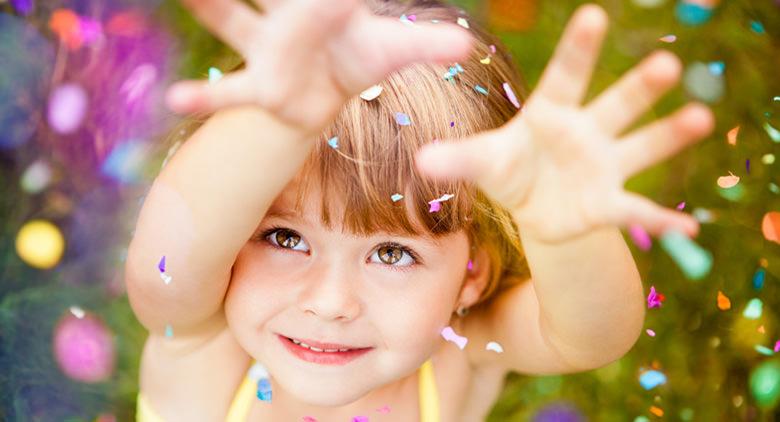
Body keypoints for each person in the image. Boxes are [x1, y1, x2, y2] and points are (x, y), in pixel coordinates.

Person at [124, 0, 715, 420]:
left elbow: (590, 337)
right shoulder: (202, 346)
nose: (330, 304)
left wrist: (563, 232)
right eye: (284, 239)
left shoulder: (463, 352)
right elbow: (166, 272)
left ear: (472, 274)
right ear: (232, 237)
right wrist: (280, 127)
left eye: (391, 252)